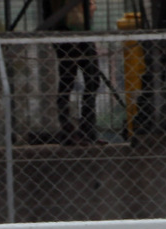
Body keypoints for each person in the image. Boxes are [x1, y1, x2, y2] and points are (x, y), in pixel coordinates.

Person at [45, 0, 101, 144]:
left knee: (92, 79)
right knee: (68, 79)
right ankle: (69, 131)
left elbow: (91, 7)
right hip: (66, 30)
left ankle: (86, 130)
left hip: (81, 30)